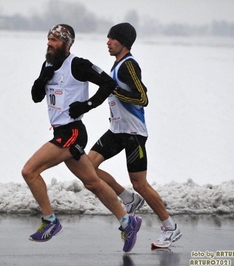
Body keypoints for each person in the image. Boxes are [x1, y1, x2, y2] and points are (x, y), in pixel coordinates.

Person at [21, 24, 141, 252]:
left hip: (72, 132)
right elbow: (37, 97)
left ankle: (50, 221)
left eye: (54, 40)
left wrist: (87, 105)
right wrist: (42, 79)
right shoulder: (48, 64)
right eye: (48, 39)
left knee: (29, 171)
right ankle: (128, 221)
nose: (49, 44)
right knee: (92, 182)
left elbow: (109, 83)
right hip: (60, 132)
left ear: (66, 44)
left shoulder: (78, 64)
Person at [87, 22, 182, 249]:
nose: (108, 42)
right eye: (108, 38)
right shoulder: (116, 65)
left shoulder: (128, 65)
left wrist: (115, 90)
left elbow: (142, 98)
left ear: (124, 42)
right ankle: (128, 199)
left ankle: (170, 227)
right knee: (88, 167)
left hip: (133, 134)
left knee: (140, 184)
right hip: (116, 130)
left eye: (113, 39)